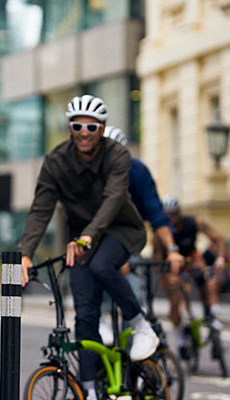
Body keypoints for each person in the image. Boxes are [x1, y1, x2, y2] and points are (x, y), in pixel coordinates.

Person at [18, 95, 159, 400]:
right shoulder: (55, 161)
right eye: (77, 125)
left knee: (101, 265)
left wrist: (88, 237)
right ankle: (92, 392)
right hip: (80, 241)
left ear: (102, 129)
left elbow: (113, 199)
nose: (84, 132)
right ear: (69, 129)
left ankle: (141, 325)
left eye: (91, 127)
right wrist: (25, 253)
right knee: (84, 315)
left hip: (120, 230)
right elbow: (41, 209)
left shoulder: (118, 155)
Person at [97, 127, 185, 344]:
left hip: (130, 244)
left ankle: (135, 350)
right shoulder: (90, 175)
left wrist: (172, 250)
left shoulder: (137, 172)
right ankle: (100, 323)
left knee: (134, 295)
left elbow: (157, 216)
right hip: (97, 243)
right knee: (94, 288)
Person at [153, 195, 226, 356]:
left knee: (209, 279)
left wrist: (220, 259)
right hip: (170, 263)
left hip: (190, 257)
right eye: (168, 216)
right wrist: (167, 274)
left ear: (180, 213)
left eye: (174, 215)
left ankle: (213, 316)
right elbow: (157, 261)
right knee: (176, 294)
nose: (172, 220)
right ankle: (179, 339)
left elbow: (219, 239)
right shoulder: (159, 232)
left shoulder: (194, 222)